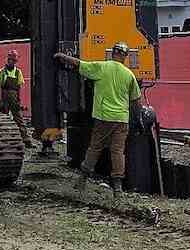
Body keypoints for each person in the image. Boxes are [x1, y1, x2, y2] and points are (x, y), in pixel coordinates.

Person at [54, 41, 143, 202]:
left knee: (95, 148)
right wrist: (140, 119)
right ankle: (117, 189)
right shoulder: (129, 75)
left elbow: (79, 64)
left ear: (113, 53)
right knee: (117, 152)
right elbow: (136, 100)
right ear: (125, 57)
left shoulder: (102, 67)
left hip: (103, 118)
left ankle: (82, 180)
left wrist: (62, 56)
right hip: (121, 120)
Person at [0, 49, 33, 148]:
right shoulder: (2, 71)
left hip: (14, 97)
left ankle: (26, 140)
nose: (11, 61)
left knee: (19, 119)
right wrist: (0, 101)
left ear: (15, 61)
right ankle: (1, 140)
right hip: (4, 97)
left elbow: (19, 87)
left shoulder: (18, 72)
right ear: (7, 60)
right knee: (3, 119)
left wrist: (19, 100)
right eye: (10, 59)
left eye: (13, 60)